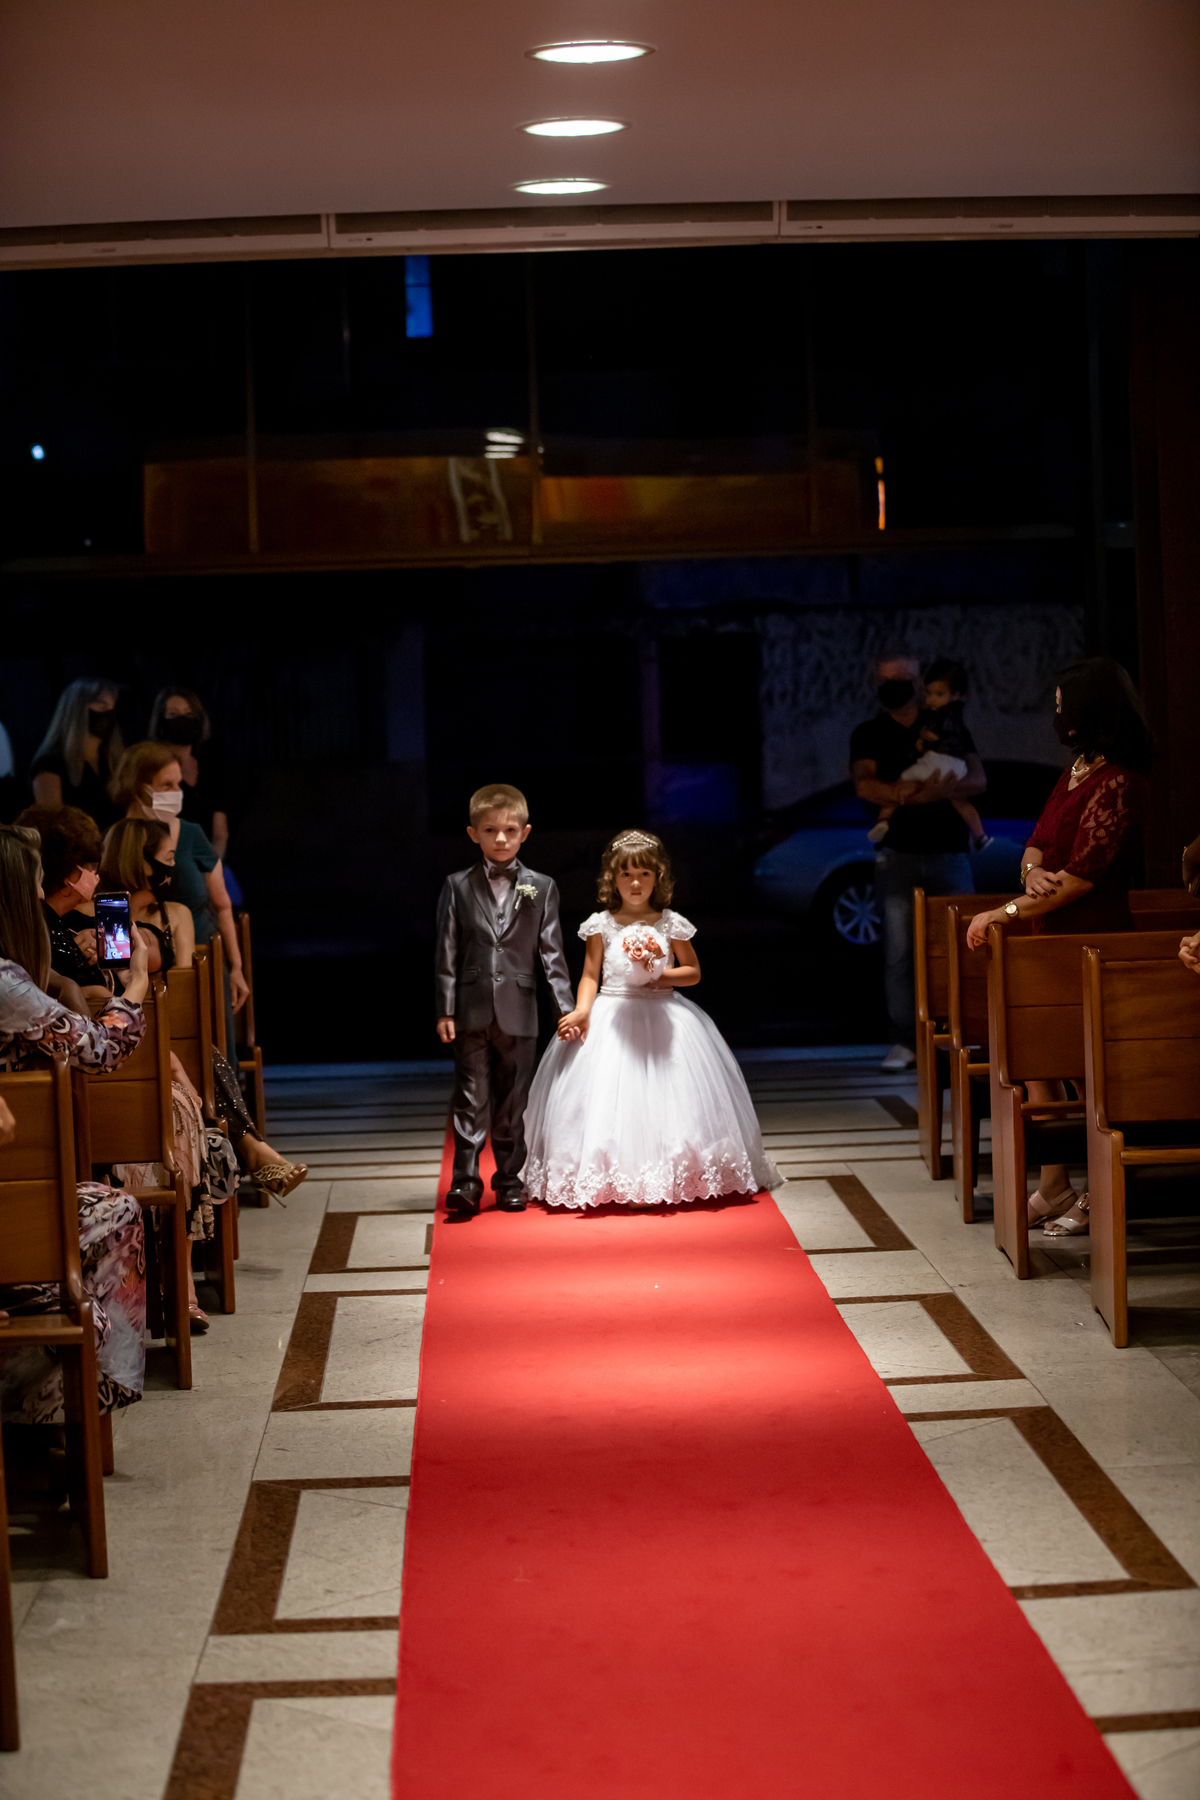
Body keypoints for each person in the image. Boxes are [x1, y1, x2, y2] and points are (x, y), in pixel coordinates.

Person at [966, 657, 1152, 1238]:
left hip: (1093, 941)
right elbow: (1039, 843)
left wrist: (1009, 909)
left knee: (1089, 1073)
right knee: (1039, 1063)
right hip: (1051, 940)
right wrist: (1030, 874)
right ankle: (1053, 1183)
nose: (1056, 716)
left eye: (1060, 705)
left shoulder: (1119, 779)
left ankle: (1100, 1191)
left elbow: (1086, 874)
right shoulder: (1075, 769)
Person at [522, 829, 780, 1209]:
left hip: (663, 1016)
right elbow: (591, 974)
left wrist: (659, 974)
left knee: (671, 1099)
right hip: (613, 1015)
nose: (635, 882)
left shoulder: (670, 922)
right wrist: (581, 1010)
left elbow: (692, 971)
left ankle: (674, 1173)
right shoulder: (602, 924)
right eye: (626, 874)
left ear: (658, 877)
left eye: (644, 873)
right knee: (608, 1100)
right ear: (613, 879)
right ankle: (611, 1176)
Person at [0, 824, 147, 1421]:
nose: (44, 896)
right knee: (118, 1210)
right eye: (35, 885)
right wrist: (132, 987)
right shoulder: (7, 984)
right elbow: (98, 1051)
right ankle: (93, 1396)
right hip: (14, 1209)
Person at [434, 783, 575, 1216]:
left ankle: (511, 1180)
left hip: (521, 1007)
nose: (500, 838)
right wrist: (445, 1008)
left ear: (525, 833)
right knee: (470, 1097)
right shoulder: (457, 885)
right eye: (490, 830)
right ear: (473, 833)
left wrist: (566, 1009)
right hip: (472, 1007)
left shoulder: (542, 887)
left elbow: (552, 954)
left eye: (509, 830)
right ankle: (465, 1182)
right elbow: (447, 950)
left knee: (514, 1100)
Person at [851, 655, 986, 1072]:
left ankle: (967, 1031)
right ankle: (905, 1039)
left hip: (949, 850)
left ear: (919, 683)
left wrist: (919, 794)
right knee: (899, 951)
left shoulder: (947, 724)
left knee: (962, 946)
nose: (893, 686)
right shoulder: (869, 732)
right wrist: (915, 794)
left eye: (902, 680)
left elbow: (977, 780)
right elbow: (865, 784)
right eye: (884, 680)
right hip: (898, 853)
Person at [110, 742, 249, 1016]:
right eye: (167, 785)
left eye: (179, 784)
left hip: (197, 966)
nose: (178, 793)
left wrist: (237, 968)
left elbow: (222, 905)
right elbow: (111, 934)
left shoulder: (191, 835)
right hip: (133, 975)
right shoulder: (115, 843)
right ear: (139, 787)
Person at [868, 660, 992, 852]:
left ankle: (884, 820)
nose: (931, 699)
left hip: (938, 765)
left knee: (904, 782)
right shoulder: (952, 716)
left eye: (938, 694)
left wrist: (927, 740)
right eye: (929, 693)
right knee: (960, 803)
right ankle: (979, 835)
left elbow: (978, 781)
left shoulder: (943, 718)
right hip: (953, 768)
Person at [15, 803, 106, 999]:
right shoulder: (45, 937)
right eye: (89, 865)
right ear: (67, 877)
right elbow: (103, 1002)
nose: (94, 873)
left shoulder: (68, 919)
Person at [29, 676, 125, 830]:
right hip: (81, 850)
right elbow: (53, 826)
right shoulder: (50, 764)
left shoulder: (114, 760)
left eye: (113, 706)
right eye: (101, 706)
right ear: (76, 710)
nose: (109, 713)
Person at [148, 686, 231, 858]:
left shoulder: (209, 768)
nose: (183, 720)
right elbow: (162, 832)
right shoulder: (155, 768)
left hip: (208, 865)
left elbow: (220, 835)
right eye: (173, 714)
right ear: (161, 722)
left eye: (189, 713)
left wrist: (210, 872)